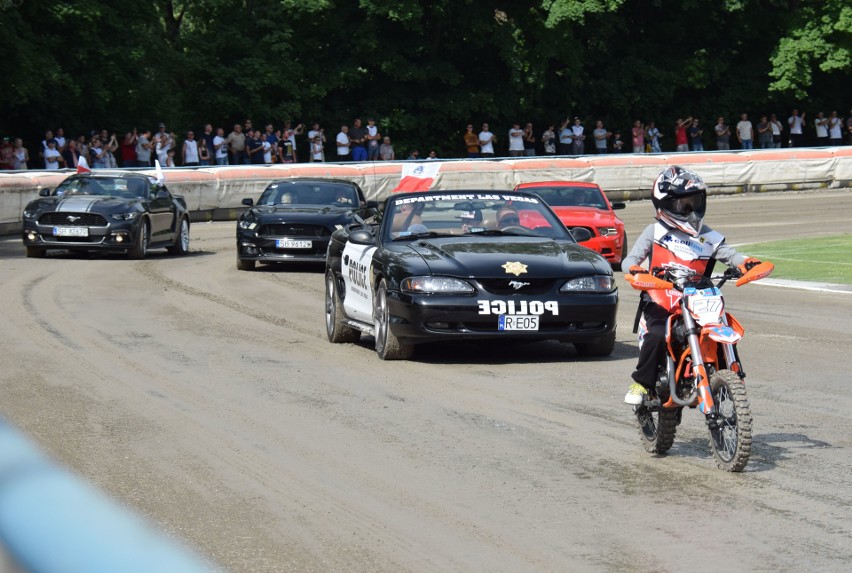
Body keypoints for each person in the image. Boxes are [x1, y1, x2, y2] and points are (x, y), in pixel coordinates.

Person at [622, 166, 764, 405]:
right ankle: (642, 383)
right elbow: (629, 261)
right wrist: (636, 270)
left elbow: (731, 255)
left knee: (721, 325)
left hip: (698, 298)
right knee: (657, 334)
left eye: (695, 203)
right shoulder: (654, 231)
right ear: (665, 206)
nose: (691, 211)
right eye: (683, 205)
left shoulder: (709, 236)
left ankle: (727, 375)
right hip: (660, 298)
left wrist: (747, 263)